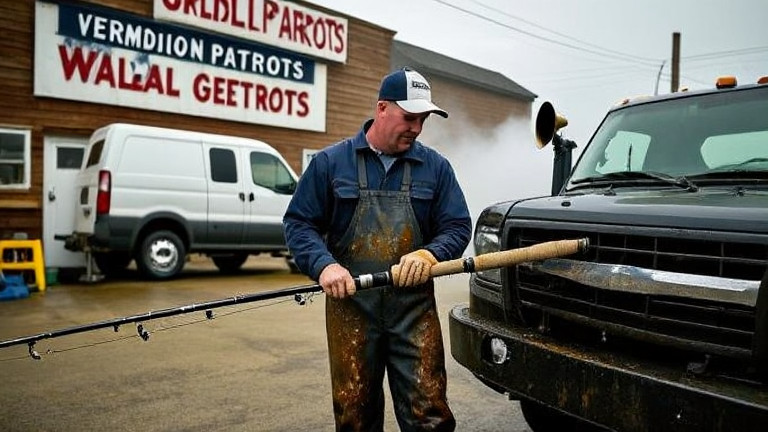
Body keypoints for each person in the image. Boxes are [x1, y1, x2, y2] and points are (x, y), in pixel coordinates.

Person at [283, 67, 472, 432]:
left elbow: (457, 225)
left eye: (423, 120)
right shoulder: (330, 164)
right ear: (382, 108)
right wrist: (324, 266)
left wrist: (429, 254)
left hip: (413, 311)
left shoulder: (435, 168)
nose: (417, 128)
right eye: (409, 117)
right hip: (351, 308)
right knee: (356, 416)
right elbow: (299, 223)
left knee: (429, 416)